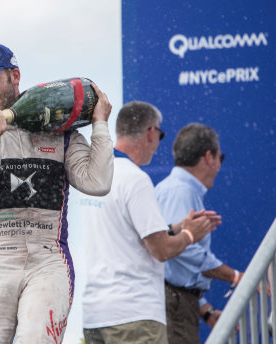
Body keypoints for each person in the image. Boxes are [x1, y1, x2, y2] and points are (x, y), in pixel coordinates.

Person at [0, 42, 114, 343]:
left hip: (48, 258)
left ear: (15, 76)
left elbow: (97, 182)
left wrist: (100, 125)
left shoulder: (59, 131)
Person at [80, 101, 221, 344]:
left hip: (94, 315)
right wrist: (189, 235)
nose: (158, 145)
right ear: (150, 133)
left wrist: (176, 227)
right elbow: (161, 250)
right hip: (134, 315)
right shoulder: (136, 179)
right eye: (160, 134)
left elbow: (125, 233)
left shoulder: (95, 176)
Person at [156, 123, 242, 344]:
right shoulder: (181, 191)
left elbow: (176, 266)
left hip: (178, 305)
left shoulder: (178, 189)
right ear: (208, 157)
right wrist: (233, 276)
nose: (219, 167)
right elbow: (181, 251)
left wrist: (205, 310)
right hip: (174, 307)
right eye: (220, 158)